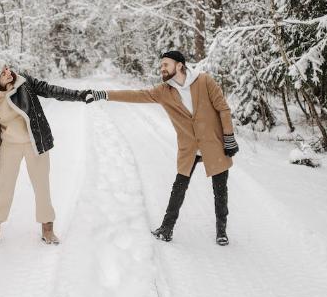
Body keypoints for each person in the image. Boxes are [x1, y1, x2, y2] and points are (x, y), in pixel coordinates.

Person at [86, 51, 239, 245]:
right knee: (179, 188)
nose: (162, 68)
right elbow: (136, 95)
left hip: (213, 144)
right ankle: (166, 229)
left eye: (166, 64)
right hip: (189, 148)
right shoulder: (164, 91)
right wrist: (104, 94)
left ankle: (221, 231)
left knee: (220, 190)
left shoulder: (204, 81)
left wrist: (229, 137)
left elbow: (223, 109)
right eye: (161, 65)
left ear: (180, 66)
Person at [0, 57, 90, 247]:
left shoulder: (24, 82)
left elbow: (51, 90)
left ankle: (47, 227)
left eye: (6, 67)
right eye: (2, 72)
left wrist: (80, 95)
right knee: (4, 187)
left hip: (34, 143)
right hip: (9, 146)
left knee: (41, 185)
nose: (8, 72)